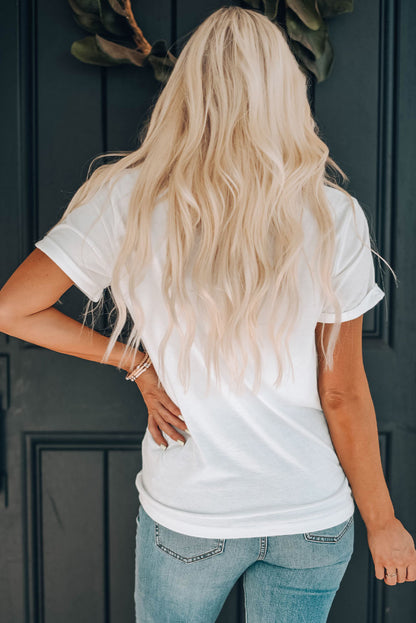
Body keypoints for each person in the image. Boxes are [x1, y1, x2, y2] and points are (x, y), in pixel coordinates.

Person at [0, 5, 415, 623]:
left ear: (189, 89)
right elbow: (342, 392)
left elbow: (13, 309)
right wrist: (384, 523)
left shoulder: (126, 197)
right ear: (283, 92)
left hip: (191, 515)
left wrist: (135, 362)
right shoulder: (332, 213)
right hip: (310, 517)